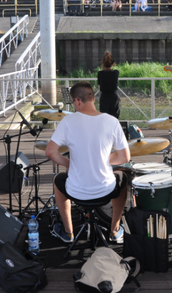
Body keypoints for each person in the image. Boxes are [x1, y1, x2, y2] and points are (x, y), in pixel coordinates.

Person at [45, 81, 130, 244]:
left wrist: (69, 163)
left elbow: (50, 152)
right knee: (123, 178)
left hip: (76, 192)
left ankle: (68, 232)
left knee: (58, 180)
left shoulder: (68, 122)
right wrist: (103, 160)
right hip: (106, 190)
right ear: (92, 98)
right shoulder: (112, 121)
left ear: (77, 101)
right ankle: (114, 230)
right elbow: (124, 157)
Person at [97, 52, 120, 119]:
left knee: (104, 117)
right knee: (114, 117)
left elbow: (100, 88)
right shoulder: (116, 72)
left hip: (104, 97)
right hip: (114, 97)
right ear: (113, 64)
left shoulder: (100, 73)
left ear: (103, 64)